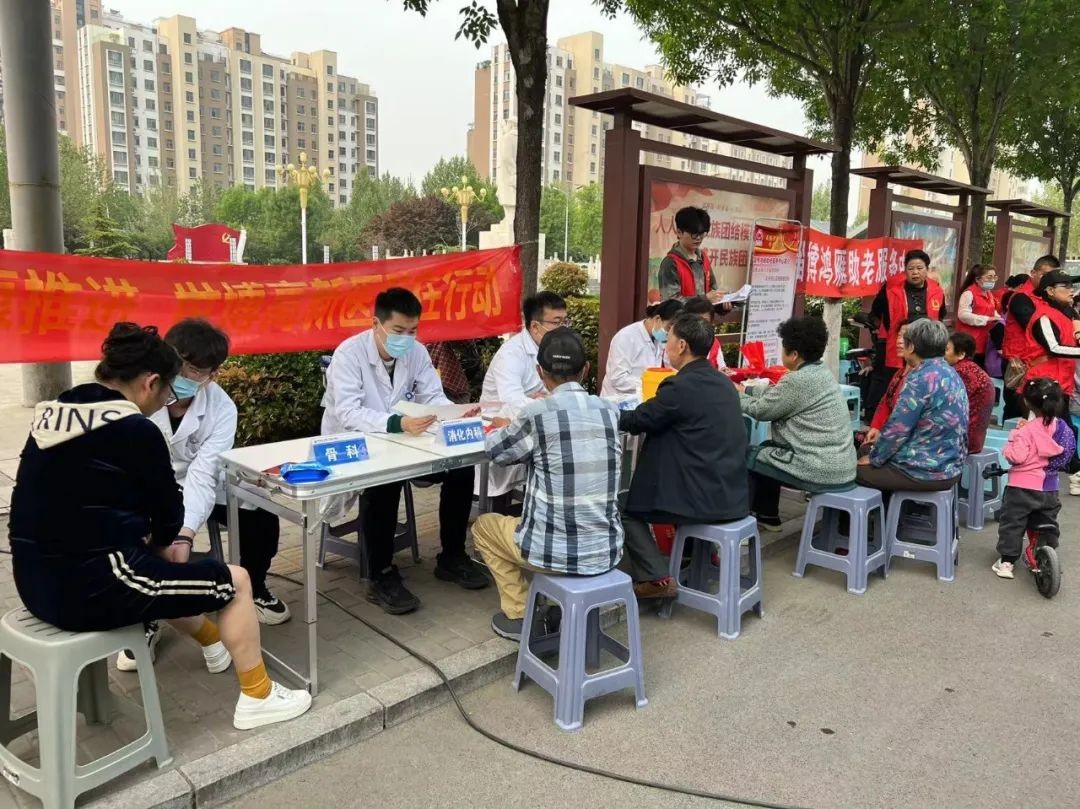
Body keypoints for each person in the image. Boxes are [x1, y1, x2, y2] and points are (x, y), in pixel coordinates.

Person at [9, 323, 311, 730]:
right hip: (87, 592)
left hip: (33, 583)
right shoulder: (136, 429)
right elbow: (167, 514)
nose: (169, 398)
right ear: (151, 382)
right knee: (235, 581)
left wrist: (163, 535)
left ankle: (213, 642)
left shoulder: (57, 411)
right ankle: (259, 697)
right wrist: (171, 538)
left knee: (159, 560)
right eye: (168, 389)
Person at [114, 319, 289, 673]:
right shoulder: (140, 393)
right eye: (182, 364)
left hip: (202, 482)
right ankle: (146, 616)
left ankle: (254, 586)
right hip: (149, 486)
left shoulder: (222, 408)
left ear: (212, 375)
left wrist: (184, 533)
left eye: (198, 371)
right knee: (138, 527)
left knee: (259, 510)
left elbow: (202, 474)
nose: (185, 375)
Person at [322, 287, 489, 614]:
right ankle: (380, 574)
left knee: (460, 467)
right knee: (384, 481)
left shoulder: (418, 353)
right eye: (398, 331)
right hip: (358, 442)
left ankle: (452, 556)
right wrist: (396, 423)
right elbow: (348, 412)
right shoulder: (349, 354)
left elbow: (433, 396)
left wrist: (453, 413)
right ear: (376, 324)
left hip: (407, 438)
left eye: (413, 331)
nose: (406, 339)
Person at [473, 329, 623, 639]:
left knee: (484, 527)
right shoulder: (610, 411)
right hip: (606, 548)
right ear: (586, 370)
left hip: (553, 554)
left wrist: (504, 426)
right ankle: (554, 605)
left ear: (540, 372)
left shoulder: (535, 414)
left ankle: (521, 614)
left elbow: (496, 452)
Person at [618, 314, 750, 598]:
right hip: (733, 493)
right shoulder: (723, 383)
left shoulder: (679, 387)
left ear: (682, 346)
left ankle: (656, 578)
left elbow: (638, 420)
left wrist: (598, 413)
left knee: (624, 506)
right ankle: (696, 555)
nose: (665, 345)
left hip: (701, 499)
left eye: (669, 339)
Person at [737, 317, 857, 532]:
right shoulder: (820, 372)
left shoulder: (797, 380)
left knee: (750, 456)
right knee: (767, 450)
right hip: (842, 465)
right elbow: (779, 395)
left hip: (818, 468)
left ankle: (742, 525)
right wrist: (747, 389)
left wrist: (731, 393)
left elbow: (761, 410)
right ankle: (768, 516)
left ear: (793, 354)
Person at [856, 319, 968, 493]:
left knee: (849, 471)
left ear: (912, 347)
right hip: (950, 467)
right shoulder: (950, 372)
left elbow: (898, 428)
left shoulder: (920, 379)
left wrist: (874, 458)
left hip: (923, 471)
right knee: (866, 449)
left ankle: (880, 510)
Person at [480, 291, 569, 506]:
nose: (563, 328)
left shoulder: (553, 348)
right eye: (556, 322)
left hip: (534, 422)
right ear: (535, 326)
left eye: (565, 321)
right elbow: (512, 401)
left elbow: (558, 390)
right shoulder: (511, 354)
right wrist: (542, 400)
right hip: (500, 423)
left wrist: (541, 399)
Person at [993, 378, 1075, 580]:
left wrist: (1013, 437)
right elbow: (1068, 452)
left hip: (1021, 488)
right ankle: (1047, 551)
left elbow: (1016, 457)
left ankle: (1007, 562)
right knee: (1048, 522)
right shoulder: (1063, 428)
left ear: (1027, 402)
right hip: (1049, 487)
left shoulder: (1026, 430)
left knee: (1012, 523)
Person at [865, 250, 948, 418]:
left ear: (927, 269)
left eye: (919, 268)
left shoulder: (937, 290)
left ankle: (915, 414)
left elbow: (941, 314)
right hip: (896, 340)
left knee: (921, 377)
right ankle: (878, 416)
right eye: (910, 269)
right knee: (891, 378)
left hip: (925, 343)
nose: (915, 272)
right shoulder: (891, 288)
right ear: (905, 270)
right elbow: (877, 311)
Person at [1001, 255, 1061, 419]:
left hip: (1041, 363)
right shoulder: (1021, 297)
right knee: (1017, 411)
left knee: (1041, 413)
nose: (1049, 280)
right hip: (1019, 364)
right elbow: (1038, 329)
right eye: (1045, 275)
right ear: (1033, 273)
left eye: (1053, 276)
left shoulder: (1047, 298)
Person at [601, 298, 683, 396]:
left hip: (643, 397)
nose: (669, 333)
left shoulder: (659, 339)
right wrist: (650, 382)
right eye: (669, 327)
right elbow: (618, 378)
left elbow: (668, 364)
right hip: (618, 398)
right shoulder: (626, 337)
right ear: (657, 319)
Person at [863, 319, 917, 447]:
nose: (899, 341)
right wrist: (876, 427)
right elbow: (886, 402)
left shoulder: (921, 378)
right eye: (899, 335)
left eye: (905, 337)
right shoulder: (899, 374)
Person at [659, 206, 725, 303]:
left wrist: (722, 302)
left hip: (705, 313)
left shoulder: (703, 258)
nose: (698, 238)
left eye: (702, 234)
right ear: (679, 232)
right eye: (694, 234)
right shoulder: (670, 263)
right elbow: (670, 302)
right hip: (682, 314)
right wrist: (704, 299)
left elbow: (713, 289)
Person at [945, 331, 995, 455]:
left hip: (962, 441)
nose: (942, 354)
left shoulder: (960, 372)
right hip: (977, 440)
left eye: (946, 350)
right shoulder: (973, 369)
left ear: (961, 354)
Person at [955, 264, 1000, 367]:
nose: (992, 280)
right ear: (977, 279)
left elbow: (991, 310)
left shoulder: (989, 293)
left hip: (984, 340)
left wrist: (998, 318)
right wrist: (986, 319)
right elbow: (963, 315)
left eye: (994, 277)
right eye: (989, 277)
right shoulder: (969, 293)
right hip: (969, 340)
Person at [683, 295, 729, 369]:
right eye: (695, 320)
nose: (699, 325)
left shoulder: (714, 343)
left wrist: (724, 371)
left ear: (711, 322)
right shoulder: (678, 342)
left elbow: (722, 367)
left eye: (704, 321)